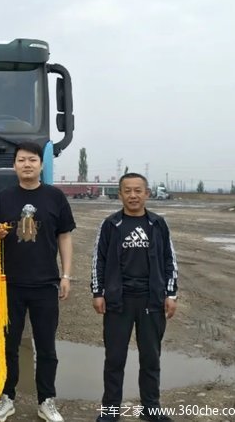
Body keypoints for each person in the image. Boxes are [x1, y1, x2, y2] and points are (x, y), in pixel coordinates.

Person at [0, 141, 75, 422]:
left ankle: (46, 400)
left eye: (32, 160)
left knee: (46, 347)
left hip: (45, 284)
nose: (27, 165)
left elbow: (64, 236)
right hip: (9, 284)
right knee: (8, 345)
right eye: (21, 160)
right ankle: (6, 397)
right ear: (14, 165)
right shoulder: (2, 198)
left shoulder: (55, 198)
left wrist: (66, 275)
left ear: (41, 165)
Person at [91, 172, 178, 422]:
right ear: (119, 195)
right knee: (114, 359)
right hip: (118, 302)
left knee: (151, 358)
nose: (133, 195)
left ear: (146, 194)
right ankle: (110, 411)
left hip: (152, 301)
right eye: (127, 191)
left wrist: (171, 293)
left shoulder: (158, 224)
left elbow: (169, 260)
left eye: (138, 190)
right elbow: (98, 260)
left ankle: (151, 409)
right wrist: (98, 292)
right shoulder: (111, 225)